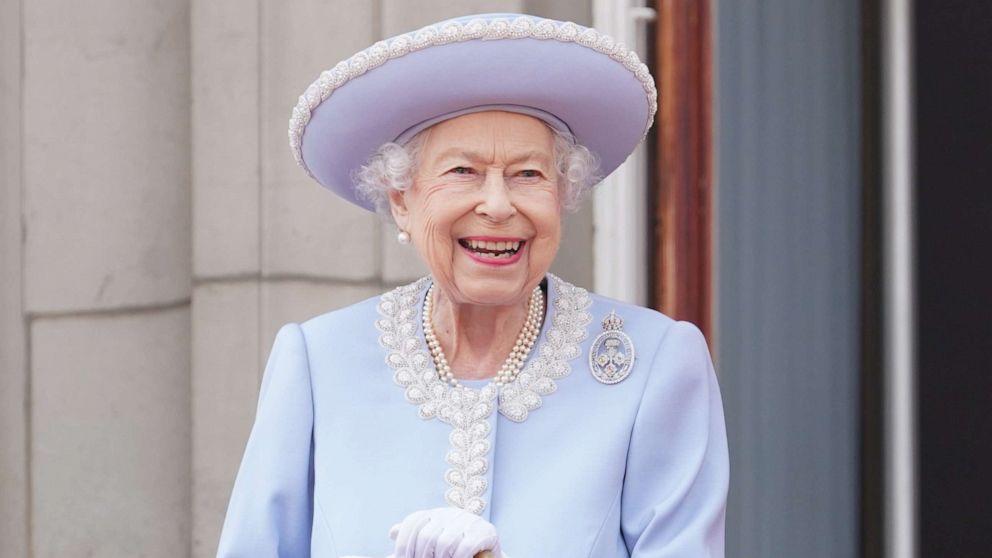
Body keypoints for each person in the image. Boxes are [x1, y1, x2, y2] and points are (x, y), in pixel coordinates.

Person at [217, 13, 728, 558]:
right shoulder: (318, 363)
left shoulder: (654, 365)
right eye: (462, 171)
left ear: (562, 195)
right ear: (401, 200)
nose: (499, 205)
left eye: (528, 174)